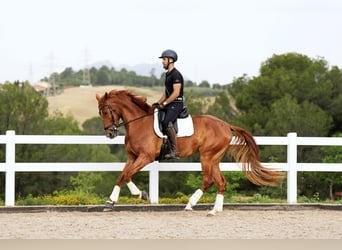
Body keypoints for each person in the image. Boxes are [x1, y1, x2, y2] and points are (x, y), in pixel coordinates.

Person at [153, 49, 184, 160]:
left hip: (177, 103)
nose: (163, 62)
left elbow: (175, 93)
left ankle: (174, 151)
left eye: (164, 59)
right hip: (170, 103)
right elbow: (166, 93)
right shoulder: (168, 75)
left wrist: (165, 103)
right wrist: (158, 103)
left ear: (171, 60)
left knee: (166, 121)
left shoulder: (176, 75)